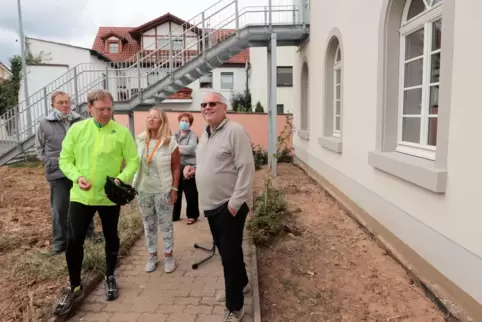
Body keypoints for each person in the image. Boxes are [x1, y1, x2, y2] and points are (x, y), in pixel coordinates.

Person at [53, 89, 139, 316]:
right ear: (89, 108)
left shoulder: (121, 133)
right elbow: (64, 159)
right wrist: (76, 177)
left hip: (109, 197)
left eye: (109, 109)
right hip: (81, 196)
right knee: (74, 240)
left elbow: (133, 160)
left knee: (111, 236)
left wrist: (121, 179)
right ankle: (74, 285)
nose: (106, 113)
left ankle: (110, 276)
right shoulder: (77, 130)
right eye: (101, 109)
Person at [184, 92, 255, 322]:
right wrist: (194, 170)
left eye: (212, 103)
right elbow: (211, 163)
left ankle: (235, 307)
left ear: (224, 108)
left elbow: (246, 169)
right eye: (203, 104)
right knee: (228, 253)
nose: (206, 107)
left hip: (229, 207)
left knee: (229, 259)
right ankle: (242, 284)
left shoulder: (235, 131)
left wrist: (234, 205)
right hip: (212, 207)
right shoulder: (206, 134)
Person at [34, 91, 95, 254]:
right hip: (57, 172)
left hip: (79, 171)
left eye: (68, 102)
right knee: (60, 208)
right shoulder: (44, 124)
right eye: (61, 102)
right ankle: (60, 241)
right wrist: (48, 161)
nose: (65, 105)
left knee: (85, 203)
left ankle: (89, 235)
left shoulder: (80, 121)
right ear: (52, 105)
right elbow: (39, 147)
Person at [132, 107, 181, 273]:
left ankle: (168, 256)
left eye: (155, 117)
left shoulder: (170, 142)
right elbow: (133, 163)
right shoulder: (140, 139)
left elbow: (176, 167)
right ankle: (152, 255)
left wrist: (174, 189)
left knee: (166, 224)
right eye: (149, 117)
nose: (151, 119)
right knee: (149, 225)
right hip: (143, 190)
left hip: (163, 190)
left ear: (162, 121)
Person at [172, 112, 200, 224]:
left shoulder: (193, 135)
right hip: (176, 166)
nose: (184, 123)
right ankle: (175, 215)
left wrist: (177, 148)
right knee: (175, 191)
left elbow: (192, 149)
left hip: (189, 166)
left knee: (191, 192)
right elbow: (169, 146)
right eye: (182, 121)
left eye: (186, 121)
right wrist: (179, 149)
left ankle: (192, 215)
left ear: (190, 123)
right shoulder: (175, 134)